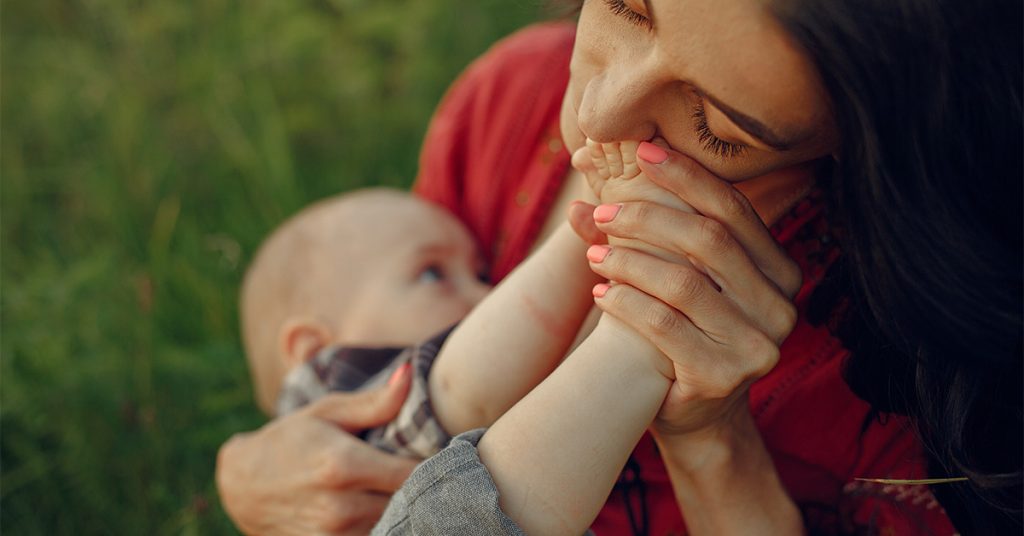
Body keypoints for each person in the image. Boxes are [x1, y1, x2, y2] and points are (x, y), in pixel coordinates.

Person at [217, 0, 1022, 533]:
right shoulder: (510, 95)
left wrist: (712, 439)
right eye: (627, 8)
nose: (594, 113)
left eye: (716, 128)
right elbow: (388, 363)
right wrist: (259, 468)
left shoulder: (906, 374)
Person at [239, 186, 599, 457]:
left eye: (480, 273)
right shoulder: (352, 412)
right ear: (317, 351)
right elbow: (464, 389)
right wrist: (582, 236)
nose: (486, 294)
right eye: (432, 274)